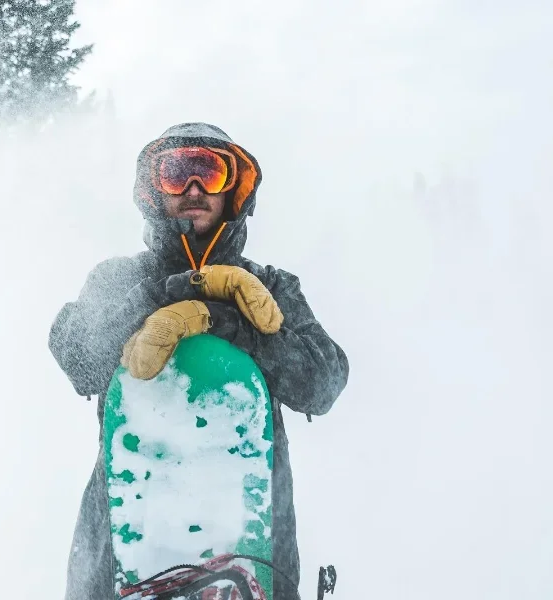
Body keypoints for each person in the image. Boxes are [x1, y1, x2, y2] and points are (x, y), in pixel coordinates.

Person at [49, 122, 349, 599]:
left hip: (257, 548)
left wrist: (227, 323)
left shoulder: (273, 287)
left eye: (209, 173)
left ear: (234, 189)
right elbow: (77, 356)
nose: (193, 188)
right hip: (119, 547)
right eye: (176, 173)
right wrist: (164, 295)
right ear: (154, 190)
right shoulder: (118, 279)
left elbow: (323, 381)